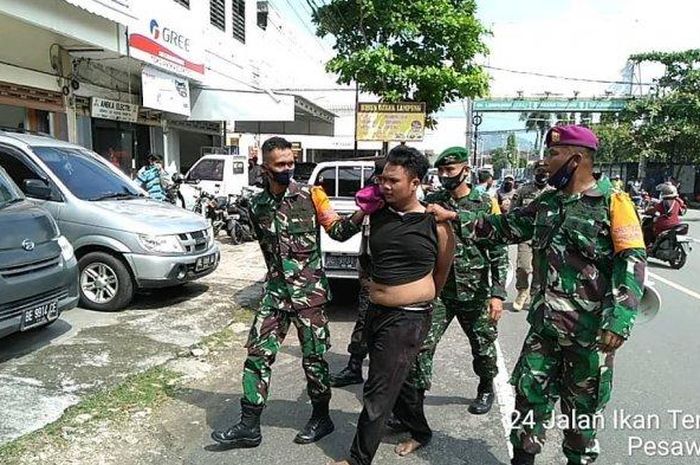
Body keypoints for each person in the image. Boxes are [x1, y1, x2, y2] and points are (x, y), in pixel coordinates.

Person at [428, 125, 646, 465]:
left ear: (576, 159)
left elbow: (631, 262)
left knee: (581, 417)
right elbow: (503, 227)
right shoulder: (548, 203)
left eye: (552, 154)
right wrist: (453, 216)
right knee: (528, 401)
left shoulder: (613, 202)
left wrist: (619, 320)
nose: (545, 161)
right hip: (544, 329)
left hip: (587, 336)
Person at [211, 137, 365, 449]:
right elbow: (268, 251)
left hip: (310, 296)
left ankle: (322, 417)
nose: (287, 169)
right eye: (280, 165)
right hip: (275, 295)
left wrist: (362, 213)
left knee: (314, 360)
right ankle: (249, 425)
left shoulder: (312, 195)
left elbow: (337, 230)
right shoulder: (257, 205)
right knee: (257, 355)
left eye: (290, 163)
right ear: (264, 168)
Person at [329, 145, 455, 465]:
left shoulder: (435, 222)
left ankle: (358, 460)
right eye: (382, 179)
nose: (385, 185)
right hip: (375, 311)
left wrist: (419, 297)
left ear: (415, 183)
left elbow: (442, 269)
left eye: (393, 181)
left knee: (378, 388)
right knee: (405, 379)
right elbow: (342, 235)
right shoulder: (376, 214)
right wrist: (363, 208)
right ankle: (420, 431)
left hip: (409, 317)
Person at [399, 146, 508, 443]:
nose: (446, 175)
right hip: (441, 290)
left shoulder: (484, 203)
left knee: (483, 347)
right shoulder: (432, 202)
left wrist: (497, 294)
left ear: (466, 170)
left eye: (451, 170)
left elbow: (498, 250)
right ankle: (412, 407)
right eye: (442, 171)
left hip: (476, 291)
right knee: (422, 346)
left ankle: (486, 385)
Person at [330, 159, 386, 387]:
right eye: (379, 177)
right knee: (363, 321)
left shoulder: (405, 207)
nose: (380, 182)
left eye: (384, 177)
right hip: (371, 274)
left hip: (396, 280)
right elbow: (355, 235)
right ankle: (354, 367)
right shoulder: (371, 202)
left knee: (390, 333)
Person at [510, 161, 552, 311]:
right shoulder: (523, 191)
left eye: (546, 171)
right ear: (534, 172)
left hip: (544, 236)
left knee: (540, 269)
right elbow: (513, 211)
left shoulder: (553, 192)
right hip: (525, 235)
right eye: (539, 170)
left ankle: (535, 295)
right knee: (523, 266)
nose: (543, 174)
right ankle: (522, 291)